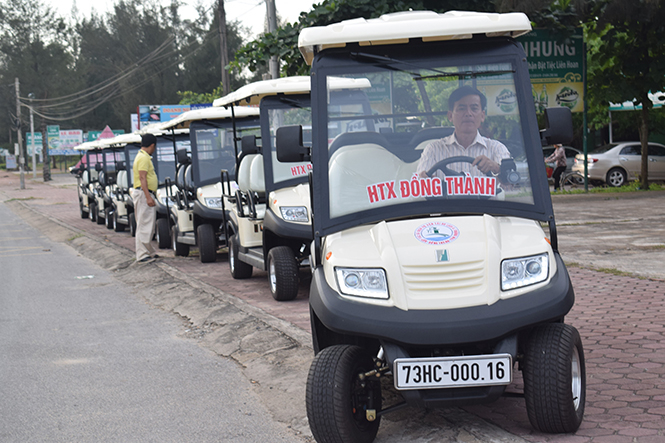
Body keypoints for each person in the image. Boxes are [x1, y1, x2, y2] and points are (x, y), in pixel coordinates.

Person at [417, 86, 511, 179]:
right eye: (462, 108)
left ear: (482, 116)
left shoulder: (497, 148)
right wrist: (423, 179)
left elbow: (511, 183)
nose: (468, 113)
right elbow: (420, 185)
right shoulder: (433, 150)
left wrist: (496, 168)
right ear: (450, 116)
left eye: (474, 108)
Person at [131, 133, 159, 263]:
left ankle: (148, 251)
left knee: (147, 223)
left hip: (144, 193)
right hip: (143, 194)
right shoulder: (143, 158)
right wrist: (148, 196)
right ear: (152, 145)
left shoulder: (143, 157)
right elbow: (143, 178)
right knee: (144, 224)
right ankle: (142, 254)